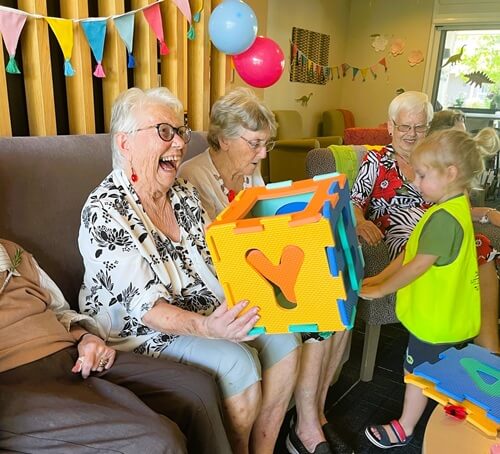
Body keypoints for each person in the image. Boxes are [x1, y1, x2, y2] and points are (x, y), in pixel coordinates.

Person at [78, 87, 301, 454]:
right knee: (238, 362)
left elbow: (220, 257)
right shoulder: (106, 211)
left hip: (201, 308)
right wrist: (208, 328)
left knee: (285, 341)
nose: (180, 142)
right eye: (165, 132)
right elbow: (147, 309)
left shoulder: (182, 192)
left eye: (180, 130)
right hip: (141, 329)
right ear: (125, 142)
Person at [178, 87, 352, 454]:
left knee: (332, 305)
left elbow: (268, 228)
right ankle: (300, 428)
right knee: (306, 321)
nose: (262, 153)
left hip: (259, 276)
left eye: (266, 144)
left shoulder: (249, 175)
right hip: (225, 290)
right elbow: (213, 257)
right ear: (224, 139)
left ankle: (307, 422)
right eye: (255, 143)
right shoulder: (191, 179)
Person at [0, 238, 231, 454]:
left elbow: (60, 311)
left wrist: (85, 338)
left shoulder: (12, 252)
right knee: (158, 442)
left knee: (197, 389)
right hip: (16, 381)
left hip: (72, 353)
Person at [360, 127, 499, 449]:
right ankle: (459, 415)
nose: (414, 181)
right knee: (445, 372)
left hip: (435, 324)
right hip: (447, 318)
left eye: (422, 175)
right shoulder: (453, 207)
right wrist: (378, 279)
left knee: (418, 375)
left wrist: (382, 291)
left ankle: (405, 428)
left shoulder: (443, 219)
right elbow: (412, 252)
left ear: (450, 174)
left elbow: (417, 266)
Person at [428, 108, 500, 352]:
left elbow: (461, 210)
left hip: (451, 232)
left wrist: (489, 214)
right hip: (425, 234)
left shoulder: (454, 172)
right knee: (474, 246)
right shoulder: (429, 167)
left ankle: (487, 341)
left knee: (481, 245)